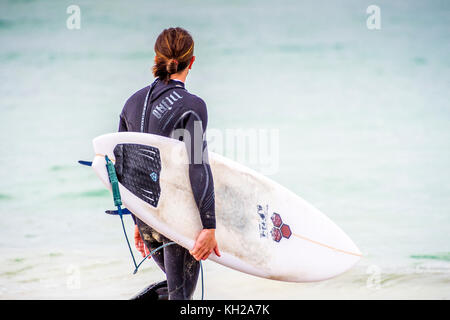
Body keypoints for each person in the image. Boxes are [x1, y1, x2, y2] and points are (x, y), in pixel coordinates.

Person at [118, 27, 220, 300]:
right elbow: (198, 166)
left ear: (157, 57)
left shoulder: (131, 103)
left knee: (179, 293)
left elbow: (124, 168)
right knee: (181, 297)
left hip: (147, 216)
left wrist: (137, 222)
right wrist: (209, 226)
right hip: (176, 217)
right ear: (192, 61)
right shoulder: (192, 105)